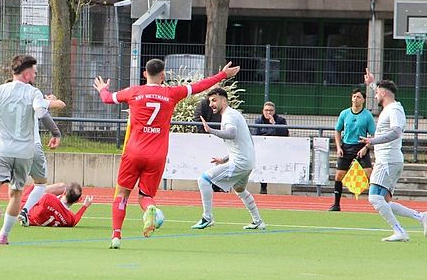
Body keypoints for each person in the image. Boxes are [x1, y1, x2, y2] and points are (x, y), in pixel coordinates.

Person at [94, 58, 240, 249]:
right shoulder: (171, 93)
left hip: (133, 152)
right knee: (145, 196)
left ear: (144, 74)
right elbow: (199, 86)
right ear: (163, 75)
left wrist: (102, 89)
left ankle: (116, 236)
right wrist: (222, 75)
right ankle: (150, 208)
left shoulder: (133, 92)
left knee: (122, 194)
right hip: (156, 155)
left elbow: (107, 98)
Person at [0, 54, 60, 245]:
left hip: (1, 150)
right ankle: (4, 235)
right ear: (26, 74)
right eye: (34, 72)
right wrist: (56, 133)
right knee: (16, 194)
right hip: (25, 152)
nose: (35, 75)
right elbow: (42, 113)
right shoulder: (34, 93)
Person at [0, 91, 64, 227]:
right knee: (37, 184)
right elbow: (60, 104)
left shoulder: (2, 98)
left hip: (5, 148)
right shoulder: (32, 99)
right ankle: (24, 211)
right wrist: (51, 100)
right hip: (30, 147)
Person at [360, 68, 427, 242]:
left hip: (388, 160)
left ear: (384, 94)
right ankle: (420, 216)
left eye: (377, 93)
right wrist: (372, 83)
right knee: (384, 201)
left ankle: (399, 231)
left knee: (374, 198)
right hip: (389, 160)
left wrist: (373, 141)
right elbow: (381, 91)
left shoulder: (394, 110)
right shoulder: (390, 107)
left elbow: (396, 132)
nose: (375, 96)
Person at [191, 87, 266, 231]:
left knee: (203, 180)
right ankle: (258, 221)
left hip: (240, 163)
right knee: (239, 189)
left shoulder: (229, 115)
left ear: (224, 100)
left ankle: (207, 217)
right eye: (210, 101)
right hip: (247, 162)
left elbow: (231, 134)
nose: (211, 104)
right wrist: (224, 159)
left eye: (214, 100)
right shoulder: (234, 114)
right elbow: (242, 142)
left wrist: (211, 130)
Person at [329, 87, 376, 211]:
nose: (355, 99)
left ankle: (377, 202)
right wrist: (338, 147)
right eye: (354, 96)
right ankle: (336, 204)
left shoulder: (367, 115)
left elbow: (373, 135)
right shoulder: (344, 114)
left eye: (358, 97)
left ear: (363, 100)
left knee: (370, 174)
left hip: (361, 146)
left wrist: (366, 147)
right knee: (339, 176)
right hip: (346, 147)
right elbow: (337, 130)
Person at [253, 101, 288, 194]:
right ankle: (263, 187)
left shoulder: (281, 120)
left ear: (274, 111)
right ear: (263, 111)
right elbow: (256, 134)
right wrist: (270, 133)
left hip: (277, 148)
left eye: (271, 110)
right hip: (263, 148)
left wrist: (274, 124)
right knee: (262, 165)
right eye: (266, 110)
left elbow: (284, 134)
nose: (268, 112)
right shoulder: (258, 120)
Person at [19, 182, 93, 227]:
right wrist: (85, 206)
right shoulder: (70, 219)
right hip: (36, 221)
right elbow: (75, 220)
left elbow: (29, 200)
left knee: (40, 183)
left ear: (65, 192)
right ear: (78, 200)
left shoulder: (49, 198)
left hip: (25, 209)